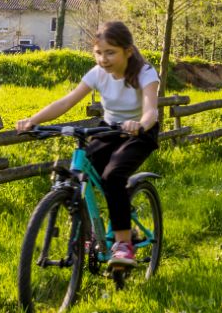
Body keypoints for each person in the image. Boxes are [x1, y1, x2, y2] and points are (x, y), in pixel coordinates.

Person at [15, 21, 160, 268]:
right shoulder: (97, 74)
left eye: (110, 52)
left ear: (128, 51)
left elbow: (151, 111)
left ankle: (124, 244)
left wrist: (140, 124)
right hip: (109, 129)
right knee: (78, 174)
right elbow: (66, 102)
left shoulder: (145, 73)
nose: (103, 59)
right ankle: (88, 232)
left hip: (139, 133)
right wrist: (33, 120)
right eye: (99, 52)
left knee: (113, 176)